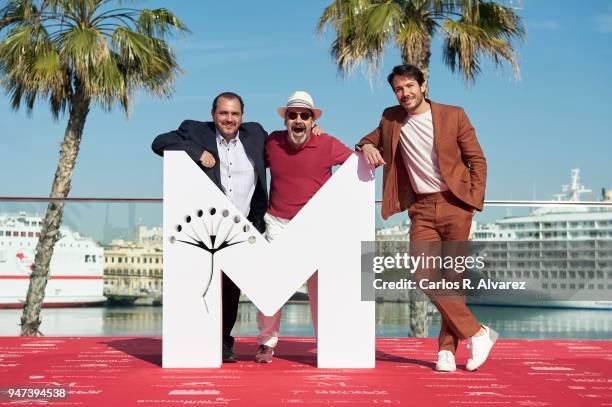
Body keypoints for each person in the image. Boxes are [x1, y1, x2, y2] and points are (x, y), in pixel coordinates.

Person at [357, 64, 496, 372]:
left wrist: (472, 200)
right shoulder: (391, 118)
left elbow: (477, 159)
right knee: (423, 276)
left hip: (455, 204)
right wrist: (367, 145)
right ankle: (478, 333)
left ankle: (446, 351)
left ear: (422, 86)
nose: (404, 93)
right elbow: (370, 138)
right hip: (421, 208)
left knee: (452, 280)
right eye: (398, 89)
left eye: (409, 86)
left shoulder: (453, 114)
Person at [151, 92, 268, 363]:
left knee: (231, 290)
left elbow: (285, 141)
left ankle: (225, 342)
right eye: (224, 113)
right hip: (206, 226)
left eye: (235, 114)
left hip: (242, 227)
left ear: (243, 116)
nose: (229, 119)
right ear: (213, 114)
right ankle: (198, 339)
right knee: (200, 284)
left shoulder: (256, 134)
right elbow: (158, 143)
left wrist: (313, 128)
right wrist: (196, 151)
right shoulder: (195, 131)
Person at [254, 91, 352, 363]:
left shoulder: (328, 143)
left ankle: (328, 344)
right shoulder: (271, 142)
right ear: (286, 120)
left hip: (316, 228)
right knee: (271, 287)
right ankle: (266, 342)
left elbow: (357, 168)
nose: (298, 120)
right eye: (293, 115)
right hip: (278, 223)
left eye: (304, 116)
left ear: (312, 121)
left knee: (321, 290)